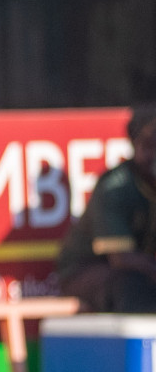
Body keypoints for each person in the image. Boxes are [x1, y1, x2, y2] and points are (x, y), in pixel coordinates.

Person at [58, 106, 156, 312]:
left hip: (141, 271)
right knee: (133, 285)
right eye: (150, 146)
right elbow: (120, 258)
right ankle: (141, 344)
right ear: (135, 146)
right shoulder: (115, 186)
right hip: (88, 271)